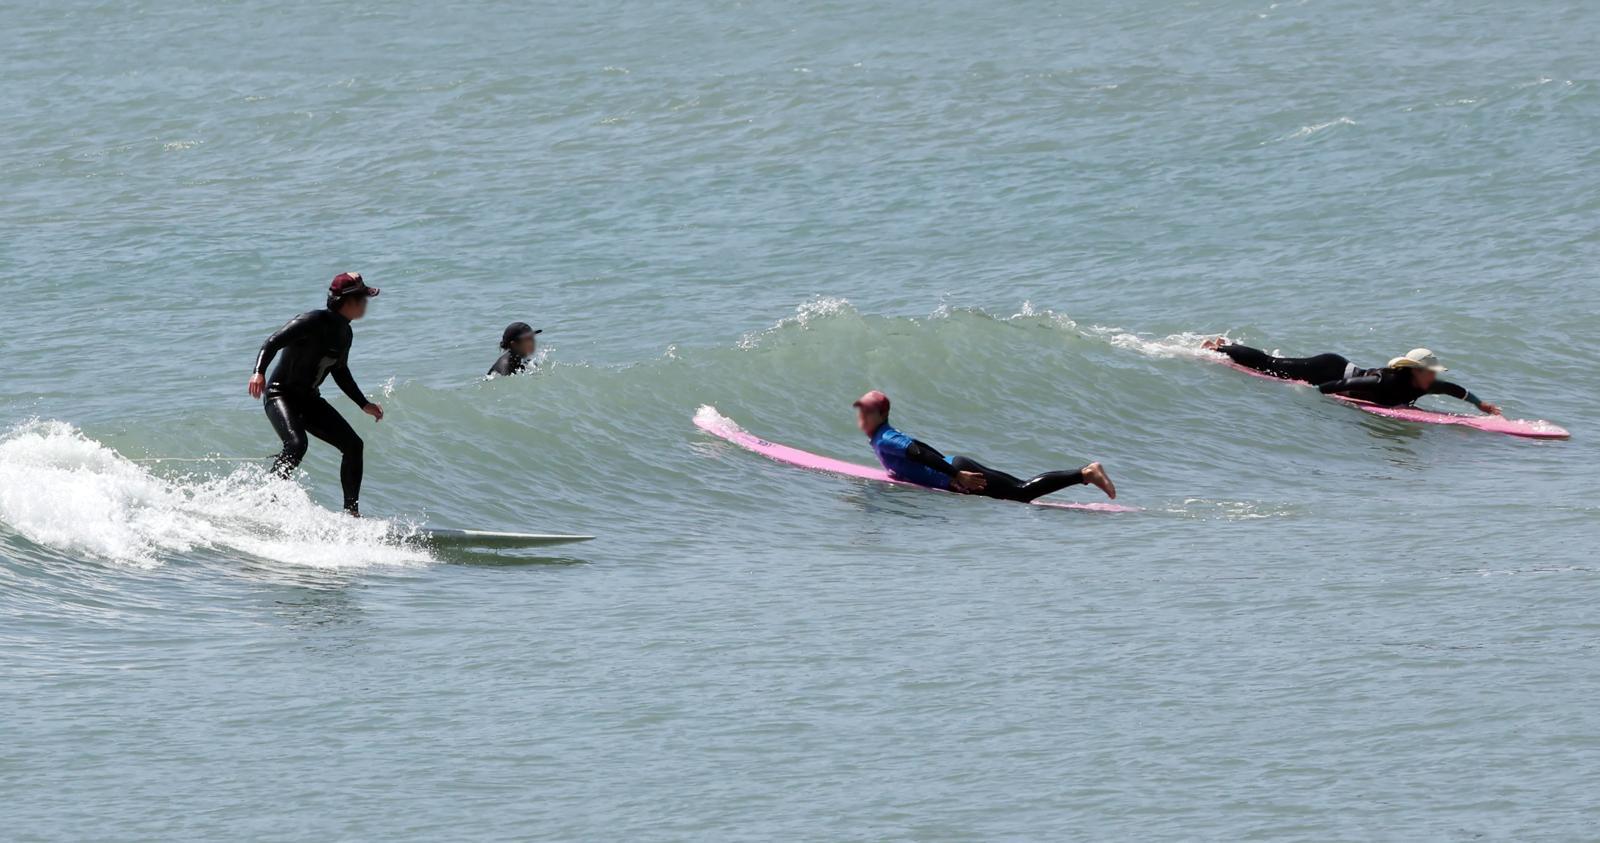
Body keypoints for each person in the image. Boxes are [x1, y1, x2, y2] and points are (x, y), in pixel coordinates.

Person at [247, 272, 385, 516]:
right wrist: (259, 372)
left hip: (309, 398)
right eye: (362, 298)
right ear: (348, 301)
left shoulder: (345, 333)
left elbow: (340, 370)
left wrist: (363, 403)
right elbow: (273, 342)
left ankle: (351, 513)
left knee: (353, 446)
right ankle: (268, 498)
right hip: (281, 395)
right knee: (297, 444)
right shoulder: (311, 321)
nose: (365, 304)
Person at [852, 390, 1116, 502]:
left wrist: (954, 476)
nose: (861, 416)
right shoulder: (882, 435)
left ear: (881, 415)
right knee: (1019, 487)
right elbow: (918, 447)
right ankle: (1084, 473)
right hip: (954, 465)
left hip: (955, 473)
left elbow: (917, 451)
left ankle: (1086, 473)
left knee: (1021, 494)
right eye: (860, 411)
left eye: (867, 412)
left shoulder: (885, 438)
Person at [1202, 338, 1502, 414]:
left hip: (1340, 371)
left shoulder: (1427, 385)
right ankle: (1223, 347)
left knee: (1274, 362)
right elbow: (1343, 385)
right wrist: (1312, 391)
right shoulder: (1385, 381)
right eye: (1430, 373)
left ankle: (1226, 347)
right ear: (1415, 372)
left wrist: (1481, 405)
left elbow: (1457, 391)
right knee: (1271, 365)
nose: (1434, 378)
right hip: (1328, 369)